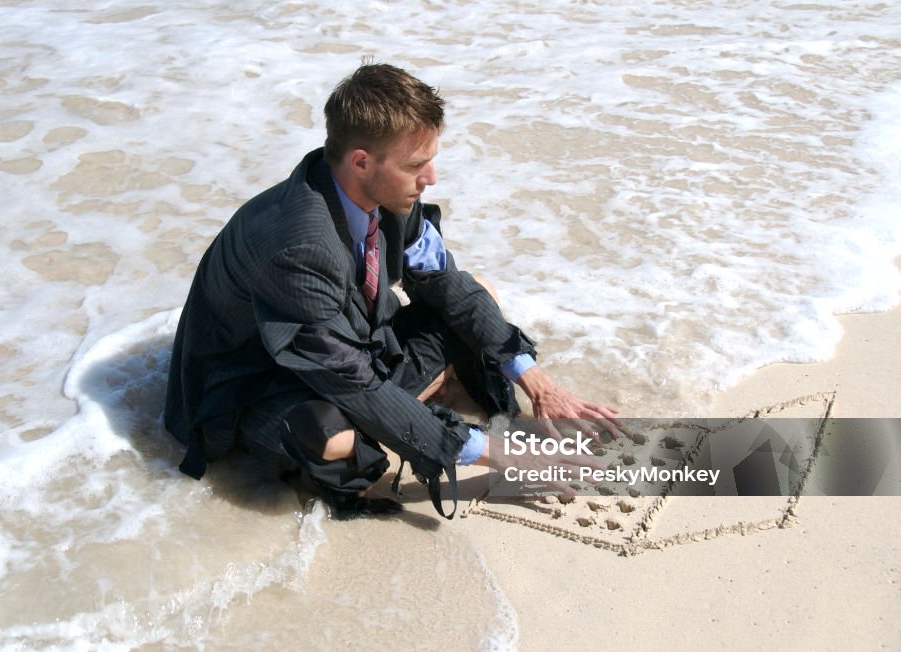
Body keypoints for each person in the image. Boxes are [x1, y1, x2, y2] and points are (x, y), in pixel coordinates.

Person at [164, 63, 621, 518]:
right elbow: (348, 379)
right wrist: (502, 455)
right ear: (362, 161)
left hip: (346, 346)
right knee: (333, 436)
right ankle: (403, 411)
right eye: (417, 165)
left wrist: (538, 384)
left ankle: (405, 408)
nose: (431, 178)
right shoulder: (298, 248)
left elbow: (446, 282)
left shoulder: (390, 194)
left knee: (481, 292)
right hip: (253, 386)